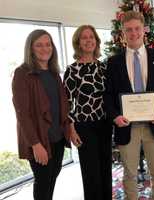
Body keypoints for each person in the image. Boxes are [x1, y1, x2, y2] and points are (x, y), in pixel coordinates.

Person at [104, 11, 154, 200]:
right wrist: (115, 116)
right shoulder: (113, 62)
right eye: (129, 30)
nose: (133, 33)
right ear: (123, 33)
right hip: (126, 126)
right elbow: (108, 95)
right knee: (129, 175)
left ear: (144, 30)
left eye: (137, 28)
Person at [12, 29, 71, 200]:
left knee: (52, 178)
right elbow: (22, 114)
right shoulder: (22, 73)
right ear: (30, 48)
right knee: (43, 182)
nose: (45, 48)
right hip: (39, 139)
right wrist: (36, 144)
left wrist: (69, 129)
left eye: (48, 44)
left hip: (57, 137)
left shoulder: (54, 73)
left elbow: (62, 106)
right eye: (39, 45)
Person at [63, 25, 112, 200]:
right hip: (84, 127)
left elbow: (110, 96)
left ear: (96, 41)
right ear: (78, 42)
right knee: (91, 172)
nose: (88, 40)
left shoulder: (103, 67)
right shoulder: (72, 70)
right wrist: (71, 129)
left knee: (106, 168)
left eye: (91, 37)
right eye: (84, 37)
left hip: (105, 124)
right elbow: (67, 103)